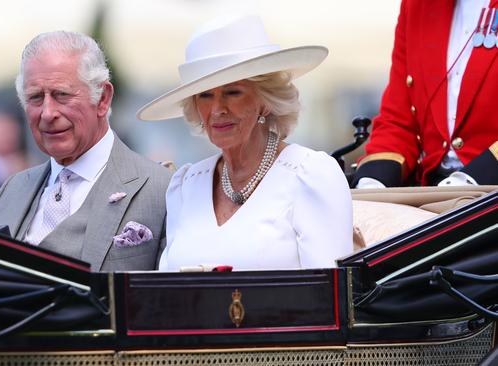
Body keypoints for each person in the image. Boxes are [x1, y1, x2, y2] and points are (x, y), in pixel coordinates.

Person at [138, 15, 353, 270]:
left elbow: (329, 295)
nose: (217, 109)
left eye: (233, 92)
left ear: (264, 99)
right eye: (205, 95)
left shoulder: (310, 175)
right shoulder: (185, 185)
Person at [0, 31, 171, 272]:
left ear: (103, 99)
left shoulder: (161, 189)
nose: (47, 113)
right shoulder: (12, 190)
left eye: (61, 95)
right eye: (35, 97)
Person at [353, 0, 498, 188]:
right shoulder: (417, 6)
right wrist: (372, 182)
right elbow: (398, 119)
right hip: (433, 190)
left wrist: (470, 179)